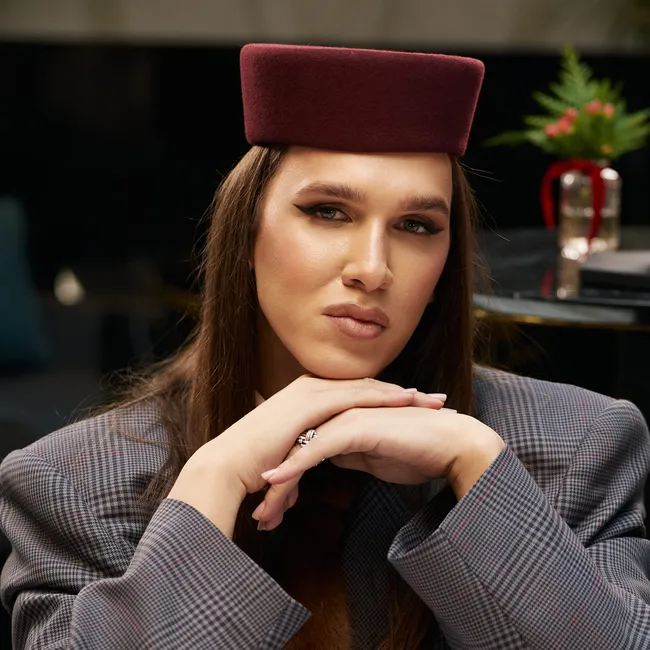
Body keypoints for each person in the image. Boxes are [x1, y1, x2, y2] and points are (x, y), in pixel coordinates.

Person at [1, 43, 649, 650]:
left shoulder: (577, 445)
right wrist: (211, 482)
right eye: (328, 211)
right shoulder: (75, 482)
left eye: (416, 225)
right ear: (246, 234)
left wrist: (474, 464)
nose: (372, 268)